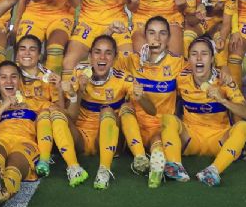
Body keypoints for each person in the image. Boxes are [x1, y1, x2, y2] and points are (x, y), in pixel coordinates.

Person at [62, 35, 152, 190]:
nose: (102, 57)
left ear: (115, 57)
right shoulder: (78, 74)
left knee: (114, 109)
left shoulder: (123, 78)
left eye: (108, 53)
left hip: (111, 140)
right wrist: (80, 92)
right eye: (97, 52)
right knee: (57, 113)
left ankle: (104, 170)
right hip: (81, 139)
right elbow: (71, 117)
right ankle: (73, 167)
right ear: (90, 56)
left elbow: (152, 111)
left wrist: (142, 97)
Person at [159, 36, 246, 187]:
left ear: (212, 59)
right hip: (191, 139)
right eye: (194, 54)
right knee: (168, 119)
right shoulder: (181, 78)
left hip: (219, 139)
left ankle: (214, 170)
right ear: (189, 59)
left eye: (204, 54)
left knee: (244, 127)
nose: (199, 58)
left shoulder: (225, 81)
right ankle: (175, 165)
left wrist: (223, 101)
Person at [116, 16, 185, 188]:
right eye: (152, 33)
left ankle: (156, 165)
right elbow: (103, 62)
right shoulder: (132, 61)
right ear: (145, 37)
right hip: (133, 125)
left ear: (168, 38)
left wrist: (226, 69)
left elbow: (204, 72)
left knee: (157, 141)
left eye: (162, 33)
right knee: (126, 108)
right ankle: (140, 158)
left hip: (161, 126)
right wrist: (109, 32)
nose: (157, 38)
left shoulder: (177, 64)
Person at [0, 61, 51, 207]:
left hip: (25, 143)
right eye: (3, 77)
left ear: (20, 81)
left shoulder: (35, 102)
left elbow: (65, 115)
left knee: (15, 161)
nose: (9, 81)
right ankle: (0, 188)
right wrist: (3, 107)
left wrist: (71, 95)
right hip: (0, 139)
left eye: (13, 77)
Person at [13, 35, 87, 185]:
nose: (27, 53)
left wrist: (60, 89)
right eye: (22, 49)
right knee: (45, 113)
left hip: (49, 128)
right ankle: (63, 164)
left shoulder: (50, 77)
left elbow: (63, 111)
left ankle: (65, 165)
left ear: (39, 55)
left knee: (48, 112)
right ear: (16, 54)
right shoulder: (10, 75)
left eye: (32, 49)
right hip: (22, 129)